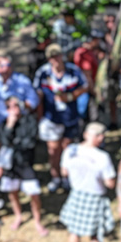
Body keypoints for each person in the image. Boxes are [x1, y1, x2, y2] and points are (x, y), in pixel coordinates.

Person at [34, 44, 90, 194]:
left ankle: (67, 177)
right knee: (53, 150)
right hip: (51, 118)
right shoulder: (43, 73)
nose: (55, 60)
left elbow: (85, 86)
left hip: (70, 117)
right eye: (52, 57)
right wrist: (39, 116)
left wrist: (70, 96)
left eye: (57, 56)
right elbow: (38, 95)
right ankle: (55, 177)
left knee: (68, 149)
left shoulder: (73, 71)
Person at [60, 122, 116, 242]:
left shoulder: (70, 150)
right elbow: (110, 183)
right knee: (96, 234)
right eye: (98, 135)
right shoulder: (102, 156)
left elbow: (64, 172)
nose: (101, 138)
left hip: (76, 194)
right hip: (95, 197)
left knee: (74, 231)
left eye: (102, 135)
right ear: (86, 135)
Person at [0, 94, 46, 235]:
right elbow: (4, 141)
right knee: (12, 192)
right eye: (9, 107)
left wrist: (14, 143)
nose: (13, 109)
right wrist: (10, 126)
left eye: (16, 105)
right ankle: (18, 215)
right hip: (11, 164)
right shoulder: (3, 123)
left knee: (34, 193)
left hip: (25, 163)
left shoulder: (29, 120)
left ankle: (37, 220)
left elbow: (30, 142)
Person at [0, 55, 38, 122]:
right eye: (1, 65)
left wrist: (20, 105)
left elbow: (33, 101)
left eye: (7, 65)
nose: (5, 68)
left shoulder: (22, 81)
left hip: (19, 121)